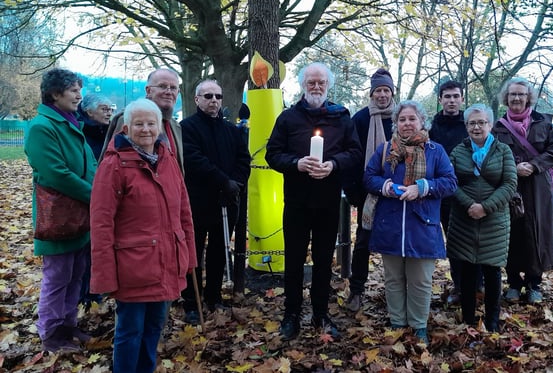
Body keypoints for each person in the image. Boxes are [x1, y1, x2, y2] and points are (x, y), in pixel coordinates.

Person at [90, 98, 196, 373]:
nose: (146, 129)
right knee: (129, 333)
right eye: (139, 124)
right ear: (126, 128)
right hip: (132, 267)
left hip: (166, 262)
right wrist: (104, 274)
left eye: (151, 123)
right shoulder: (114, 166)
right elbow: (101, 223)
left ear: (161, 126)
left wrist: (188, 258)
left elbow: (184, 211)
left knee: (154, 330)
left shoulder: (168, 159)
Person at [265, 62, 362, 341]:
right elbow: (272, 154)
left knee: (322, 261)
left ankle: (321, 313)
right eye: (311, 82)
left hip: (328, 202)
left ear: (328, 85)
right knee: (294, 260)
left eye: (321, 82)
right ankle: (291, 314)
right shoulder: (287, 118)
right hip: (296, 201)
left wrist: (332, 164)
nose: (316, 87)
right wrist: (296, 164)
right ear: (303, 85)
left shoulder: (341, 116)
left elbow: (354, 152)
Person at [364, 100, 457, 344]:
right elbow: (369, 177)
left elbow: (450, 182)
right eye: (402, 119)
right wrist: (385, 186)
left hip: (422, 225)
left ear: (421, 121)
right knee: (393, 278)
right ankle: (397, 322)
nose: (407, 124)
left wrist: (423, 187)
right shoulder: (385, 150)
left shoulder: (435, 151)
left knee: (421, 280)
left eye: (411, 119)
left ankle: (418, 326)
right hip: (390, 224)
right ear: (396, 123)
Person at [24, 68, 97, 352]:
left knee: (76, 273)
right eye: (73, 90)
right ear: (55, 94)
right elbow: (56, 173)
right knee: (57, 277)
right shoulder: (42, 126)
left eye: (79, 89)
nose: (79, 94)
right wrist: (95, 196)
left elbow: (89, 165)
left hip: (79, 216)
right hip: (58, 217)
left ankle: (68, 325)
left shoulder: (70, 123)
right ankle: (51, 334)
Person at [180, 80, 251, 323]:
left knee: (220, 251)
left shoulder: (231, 130)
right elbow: (193, 159)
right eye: (208, 96)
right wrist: (223, 181)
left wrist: (237, 183)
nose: (214, 100)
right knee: (194, 251)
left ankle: (214, 297)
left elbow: (244, 159)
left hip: (226, 201)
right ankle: (192, 300)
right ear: (197, 99)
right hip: (198, 201)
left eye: (218, 96)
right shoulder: (187, 127)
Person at [492, 77, 553, 304]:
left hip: (537, 186)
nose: (517, 98)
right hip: (510, 185)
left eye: (521, 94)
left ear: (528, 97)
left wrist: (533, 165)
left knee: (536, 232)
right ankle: (513, 282)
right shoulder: (497, 127)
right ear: (506, 97)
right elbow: (493, 154)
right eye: (512, 94)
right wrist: (513, 166)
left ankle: (534, 283)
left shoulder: (543, 123)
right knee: (511, 232)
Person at [447, 104, 517, 332]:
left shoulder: (503, 151)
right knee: (466, 269)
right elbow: (450, 182)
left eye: (481, 122)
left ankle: (492, 320)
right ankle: (468, 318)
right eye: (471, 123)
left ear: (490, 124)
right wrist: (470, 205)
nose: (476, 127)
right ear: (466, 126)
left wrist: (485, 207)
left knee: (492, 270)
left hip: (494, 220)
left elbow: (510, 184)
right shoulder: (458, 151)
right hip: (464, 219)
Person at [344, 68, 395, 312]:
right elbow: (352, 156)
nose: (382, 95)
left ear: (392, 93)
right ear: (371, 94)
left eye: (386, 90)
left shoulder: (402, 116)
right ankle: (356, 290)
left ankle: (396, 292)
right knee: (363, 242)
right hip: (368, 191)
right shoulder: (361, 119)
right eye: (378, 91)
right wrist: (354, 191)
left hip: (398, 192)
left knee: (396, 242)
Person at [428, 81, 469, 306]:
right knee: (452, 242)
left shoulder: (470, 123)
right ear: (440, 99)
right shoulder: (433, 126)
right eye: (447, 96)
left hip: (468, 191)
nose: (451, 100)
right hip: (441, 193)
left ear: (462, 99)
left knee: (472, 240)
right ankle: (460, 286)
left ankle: (477, 284)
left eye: (455, 96)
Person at [101, 68, 183, 172]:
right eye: (162, 86)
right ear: (148, 90)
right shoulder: (129, 119)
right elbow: (112, 166)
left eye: (173, 88)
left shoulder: (175, 126)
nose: (168, 92)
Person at [77, 92, 113, 308]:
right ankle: (85, 294)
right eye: (104, 108)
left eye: (110, 108)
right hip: (86, 198)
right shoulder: (83, 135)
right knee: (86, 250)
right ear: (89, 111)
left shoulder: (110, 133)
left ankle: (96, 291)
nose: (109, 112)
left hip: (108, 199)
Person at [78, 93, 113, 159]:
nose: (110, 114)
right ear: (90, 112)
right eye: (104, 109)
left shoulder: (110, 130)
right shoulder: (78, 131)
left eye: (111, 110)